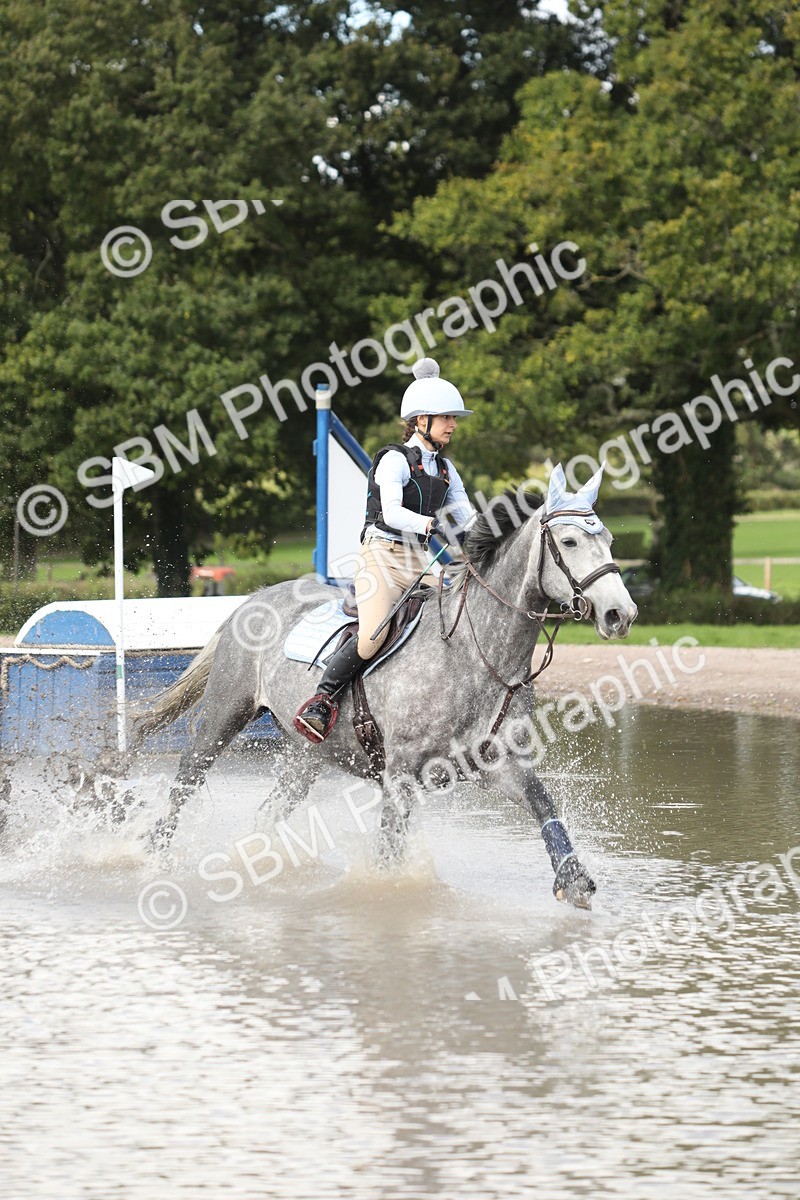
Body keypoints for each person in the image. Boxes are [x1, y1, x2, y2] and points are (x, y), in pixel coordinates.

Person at [294, 357, 476, 742]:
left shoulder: (446, 470)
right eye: (447, 418)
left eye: (453, 419)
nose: (454, 425)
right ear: (422, 419)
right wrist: (431, 524)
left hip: (419, 560)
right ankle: (321, 701)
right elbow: (392, 513)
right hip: (381, 558)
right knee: (373, 636)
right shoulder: (394, 459)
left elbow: (467, 516)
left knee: (461, 614)